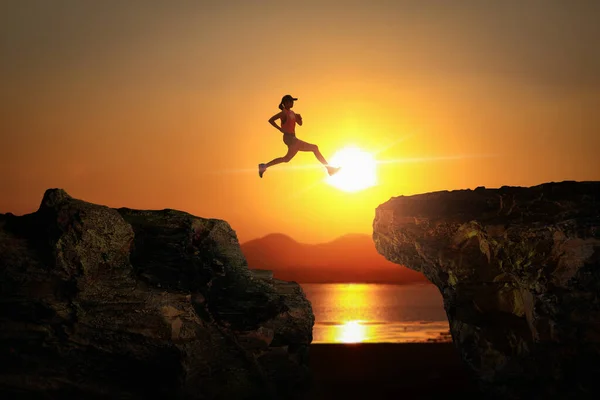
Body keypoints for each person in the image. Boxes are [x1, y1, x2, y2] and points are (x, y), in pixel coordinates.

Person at [258, 94, 341, 178]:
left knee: (286, 159)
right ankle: (329, 169)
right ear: (286, 103)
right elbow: (271, 120)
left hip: (293, 138)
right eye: (291, 101)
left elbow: (300, 124)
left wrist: (299, 118)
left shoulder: (292, 113)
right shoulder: (283, 113)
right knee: (314, 148)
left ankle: (264, 166)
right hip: (289, 138)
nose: (292, 103)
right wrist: (280, 129)